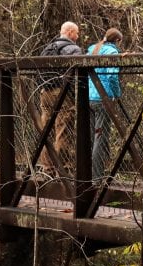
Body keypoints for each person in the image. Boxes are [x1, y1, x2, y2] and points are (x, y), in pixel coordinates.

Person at [38, 21, 82, 175]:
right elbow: (77, 75)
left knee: (47, 131)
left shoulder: (47, 48)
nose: (78, 36)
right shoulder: (74, 49)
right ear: (70, 32)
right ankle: (62, 169)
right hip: (62, 93)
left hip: (45, 92)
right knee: (63, 130)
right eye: (76, 33)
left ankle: (47, 169)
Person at [87, 28, 122, 185]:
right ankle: (97, 178)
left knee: (92, 137)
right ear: (117, 41)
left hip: (89, 99)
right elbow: (112, 76)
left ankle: (88, 174)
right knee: (100, 139)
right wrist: (116, 94)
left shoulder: (92, 50)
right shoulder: (112, 53)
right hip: (103, 99)